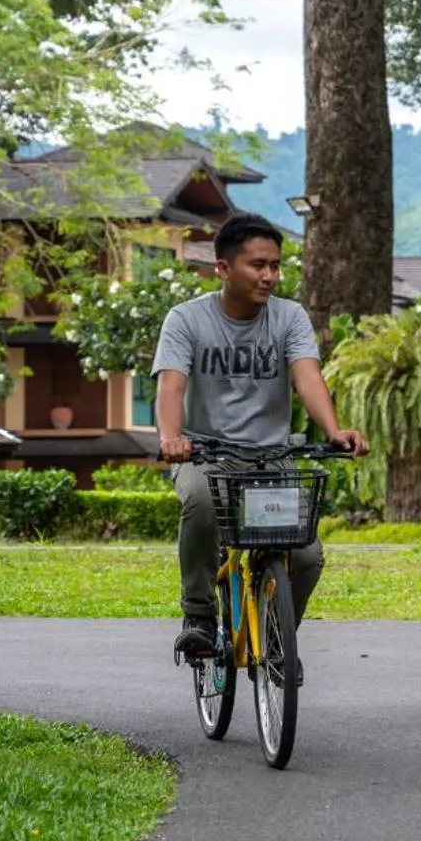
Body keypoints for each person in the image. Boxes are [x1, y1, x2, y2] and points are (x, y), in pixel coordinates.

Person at [153, 213, 369, 662]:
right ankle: (198, 614)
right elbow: (171, 384)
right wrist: (172, 438)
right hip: (205, 453)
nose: (269, 275)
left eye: (274, 265)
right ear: (224, 268)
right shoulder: (186, 320)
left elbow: (307, 377)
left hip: (272, 458)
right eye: (257, 265)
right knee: (201, 500)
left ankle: (276, 636)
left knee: (307, 558)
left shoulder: (289, 317)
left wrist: (333, 431)